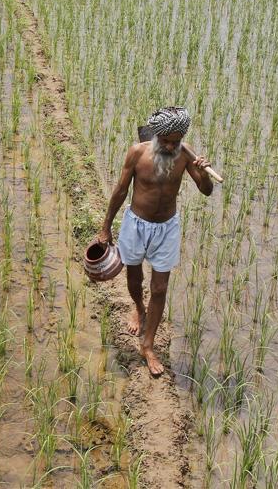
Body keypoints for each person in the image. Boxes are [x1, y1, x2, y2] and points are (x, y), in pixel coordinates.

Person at [96, 107, 214, 376]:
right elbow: (120, 191)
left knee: (159, 288)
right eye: (167, 141)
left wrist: (203, 172)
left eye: (177, 140)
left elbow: (206, 191)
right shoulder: (137, 153)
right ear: (157, 135)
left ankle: (148, 346)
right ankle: (138, 308)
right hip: (136, 225)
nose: (172, 146)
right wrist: (105, 228)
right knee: (134, 278)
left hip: (167, 228)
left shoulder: (185, 155)